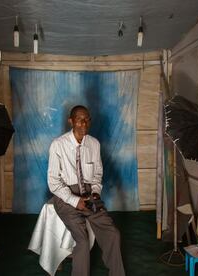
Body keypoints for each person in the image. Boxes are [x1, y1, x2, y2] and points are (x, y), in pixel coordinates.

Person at [47, 105, 125, 276]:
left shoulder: (94, 144)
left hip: (89, 195)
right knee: (82, 242)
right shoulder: (58, 145)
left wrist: (95, 191)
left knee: (113, 234)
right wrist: (75, 201)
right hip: (66, 198)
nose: (84, 123)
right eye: (79, 120)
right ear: (71, 121)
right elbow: (53, 183)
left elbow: (97, 174)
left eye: (87, 119)